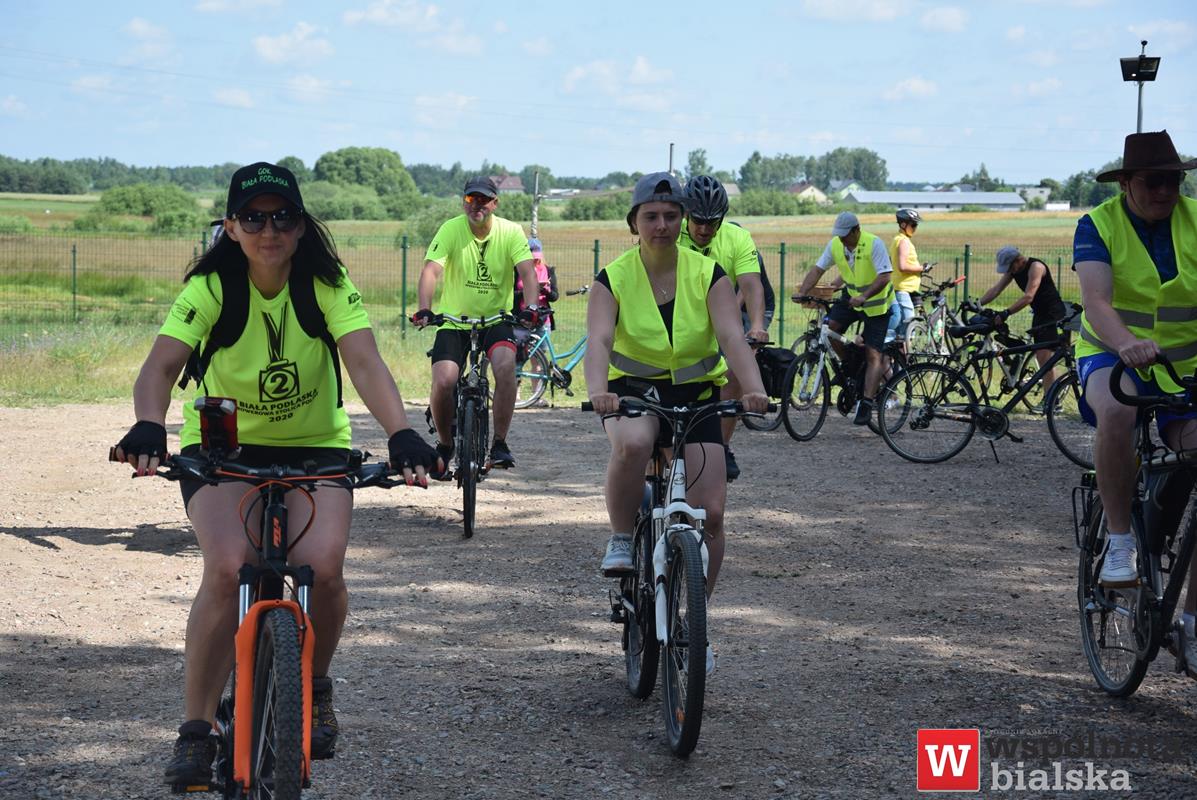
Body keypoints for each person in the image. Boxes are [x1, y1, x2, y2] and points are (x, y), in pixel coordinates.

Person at [110, 162, 439, 786]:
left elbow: (365, 362)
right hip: (223, 452)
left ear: (300, 225)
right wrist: (150, 424)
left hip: (317, 447)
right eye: (253, 217)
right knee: (229, 567)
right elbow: (158, 368)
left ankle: (312, 686)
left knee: (325, 567)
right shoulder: (211, 287)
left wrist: (400, 432)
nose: (269, 230)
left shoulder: (327, 282)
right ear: (231, 226)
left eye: (282, 216)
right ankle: (196, 730)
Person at [585, 172, 768, 674]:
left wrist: (752, 387)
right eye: (651, 217)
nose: (661, 225)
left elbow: (732, 338)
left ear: (682, 220)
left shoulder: (708, 274)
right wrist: (598, 390)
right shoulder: (613, 277)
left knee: (710, 514)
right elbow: (599, 340)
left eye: (670, 216)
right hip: (632, 391)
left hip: (697, 393)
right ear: (634, 223)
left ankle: (694, 618)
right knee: (636, 442)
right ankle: (624, 536)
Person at [1073, 130, 1197, 671]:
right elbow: (1096, 301)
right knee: (1118, 412)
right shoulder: (1098, 225)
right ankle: (1120, 542)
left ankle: (1192, 625)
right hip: (1110, 356)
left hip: (1184, 373)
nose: (1165, 190)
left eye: (1174, 180)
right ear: (1125, 183)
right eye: (1153, 181)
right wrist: (1125, 344)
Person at [412, 176, 541, 473]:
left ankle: (499, 443)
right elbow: (431, 271)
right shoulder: (451, 229)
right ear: (464, 202)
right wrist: (424, 309)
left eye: (484, 199)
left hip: (496, 319)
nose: (477, 205)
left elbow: (528, 273)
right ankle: (445, 443)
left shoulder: (510, 232)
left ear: (495, 203)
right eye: (471, 199)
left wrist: (531, 308)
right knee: (444, 380)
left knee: (506, 366)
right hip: (455, 322)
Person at [679, 175, 769, 481]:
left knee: (735, 370)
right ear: (686, 215)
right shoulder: (671, 233)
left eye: (712, 222)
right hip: (681, 315)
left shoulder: (737, 238)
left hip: (725, 312)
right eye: (698, 221)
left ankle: (723, 445)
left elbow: (751, 285)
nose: (704, 229)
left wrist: (756, 326)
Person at [794, 211, 895, 425]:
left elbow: (885, 275)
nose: (841, 239)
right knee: (829, 330)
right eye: (838, 235)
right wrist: (803, 291)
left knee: (873, 354)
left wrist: (865, 296)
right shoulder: (836, 245)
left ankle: (866, 403)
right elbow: (817, 269)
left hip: (877, 305)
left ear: (857, 230)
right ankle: (849, 366)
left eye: (845, 235)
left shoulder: (873, 244)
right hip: (851, 297)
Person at [977, 245, 1069, 398]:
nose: (1009, 272)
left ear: (1018, 260)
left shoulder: (1036, 267)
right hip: (1039, 314)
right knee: (1042, 357)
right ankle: (1052, 395)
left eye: (1009, 267)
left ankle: (1052, 399)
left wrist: (1006, 313)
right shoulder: (1014, 270)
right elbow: (996, 290)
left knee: (1045, 358)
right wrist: (977, 304)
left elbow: (1028, 297)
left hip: (1053, 314)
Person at [888, 208, 924, 346]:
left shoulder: (898, 239)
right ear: (903, 225)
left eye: (916, 225)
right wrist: (922, 268)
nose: (915, 228)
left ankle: (897, 363)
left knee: (900, 333)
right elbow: (902, 266)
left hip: (902, 290)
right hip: (902, 290)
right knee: (908, 331)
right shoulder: (903, 241)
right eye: (913, 225)